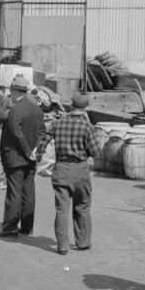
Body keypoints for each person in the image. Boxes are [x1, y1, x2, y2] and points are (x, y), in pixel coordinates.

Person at [46, 92, 99, 255]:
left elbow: (43, 141)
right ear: (86, 108)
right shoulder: (87, 126)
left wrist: (39, 156)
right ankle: (82, 241)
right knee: (82, 206)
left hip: (61, 167)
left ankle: (62, 245)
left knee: (61, 209)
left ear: (71, 105)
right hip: (80, 169)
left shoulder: (57, 123)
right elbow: (96, 151)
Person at [0, 74, 45, 236]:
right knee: (28, 192)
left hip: (15, 156)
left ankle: (10, 227)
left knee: (14, 192)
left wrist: (26, 152)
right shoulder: (36, 108)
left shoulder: (15, 110)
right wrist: (35, 150)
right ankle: (27, 227)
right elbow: (42, 132)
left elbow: (16, 133)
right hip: (30, 156)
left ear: (13, 90)